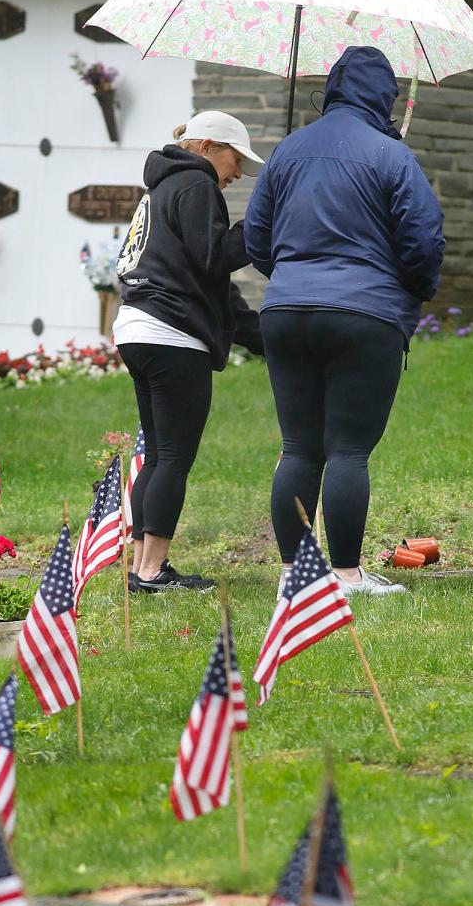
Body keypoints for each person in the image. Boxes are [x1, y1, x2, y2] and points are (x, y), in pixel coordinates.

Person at [244, 46, 445, 598]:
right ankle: (345, 575)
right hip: (366, 313)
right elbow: (423, 238)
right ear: (386, 97)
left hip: (285, 311)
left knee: (299, 447)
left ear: (332, 88)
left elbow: (255, 238)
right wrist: (416, 288)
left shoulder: (287, 151)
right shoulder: (390, 155)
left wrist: (291, 275)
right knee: (348, 450)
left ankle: (294, 577)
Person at [114, 111, 264, 593]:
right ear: (205, 147)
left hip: (137, 328)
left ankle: (142, 567)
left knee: (158, 455)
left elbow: (211, 283)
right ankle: (154, 571)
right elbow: (215, 256)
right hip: (173, 337)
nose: (237, 172)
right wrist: (259, 226)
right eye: (233, 158)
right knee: (174, 457)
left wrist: (265, 339)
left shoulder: (160, 190)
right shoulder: (196, 185)